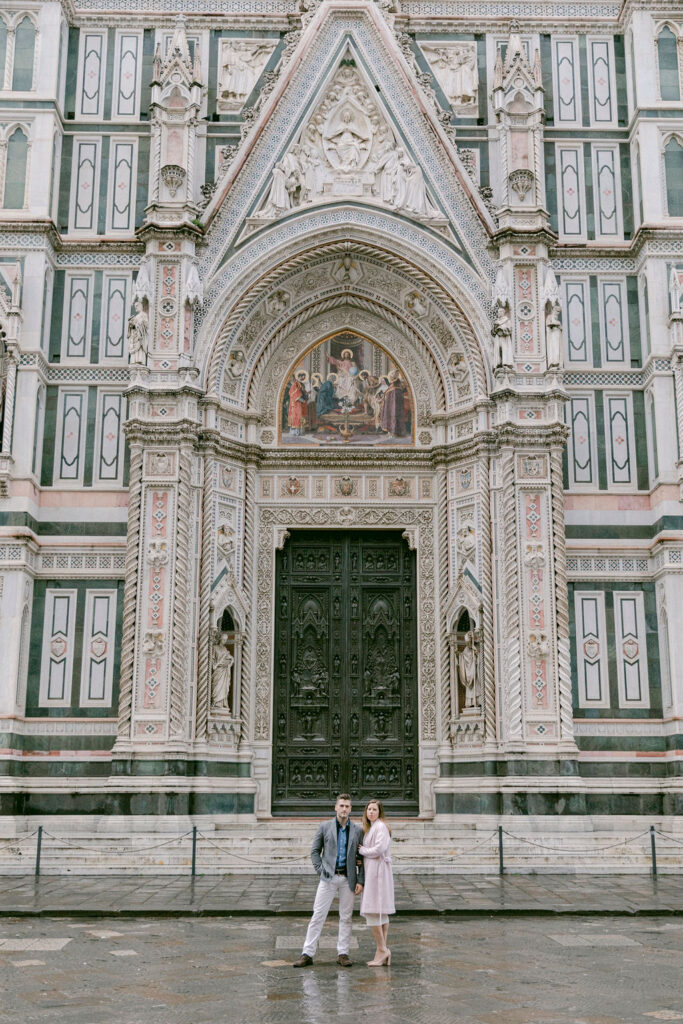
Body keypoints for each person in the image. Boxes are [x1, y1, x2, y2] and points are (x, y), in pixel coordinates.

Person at [293, 794, 365, 968]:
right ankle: (307, 953)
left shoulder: (357, 830)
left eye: (347, 806)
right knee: (318, 915)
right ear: (335, 807)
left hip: (348, 878)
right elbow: (315, 851)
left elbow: (362, 857)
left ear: (350, 809)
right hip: (328, 878)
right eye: (341, 806)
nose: (344, 809)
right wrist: (321, 870)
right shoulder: (324, 827)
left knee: (346, 917)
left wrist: (360, 880)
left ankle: (343, 953)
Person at [358, 798, 395, 966]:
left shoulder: (380, 827)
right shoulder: (374, 827)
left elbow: (379, 849)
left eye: (374, 809)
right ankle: (382, 950)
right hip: (374, 870)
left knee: (373, 911)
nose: (371, 812)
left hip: (377, 873)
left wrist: (362, 850)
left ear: (380, 812)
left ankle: (382, 950)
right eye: (369, 809)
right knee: (381, 912)